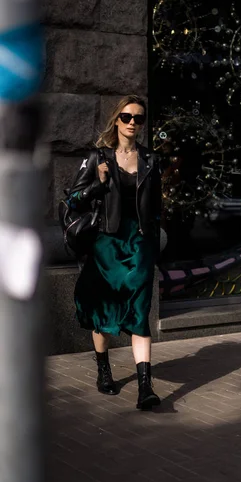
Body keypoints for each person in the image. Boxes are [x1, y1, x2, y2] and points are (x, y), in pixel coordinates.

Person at [68, 95, 161, 410]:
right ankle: (103, 367)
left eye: (139, 118)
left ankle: (145, 388)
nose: (133, 122)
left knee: (140, 310)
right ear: (117, 120)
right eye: (127, 116)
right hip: (108, 244)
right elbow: (72, 200)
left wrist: (153, 236)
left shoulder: (151, 159)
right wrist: (98, 185)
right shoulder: (98, 158)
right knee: (104, 314)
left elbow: (157, 205)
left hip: (139, 244)